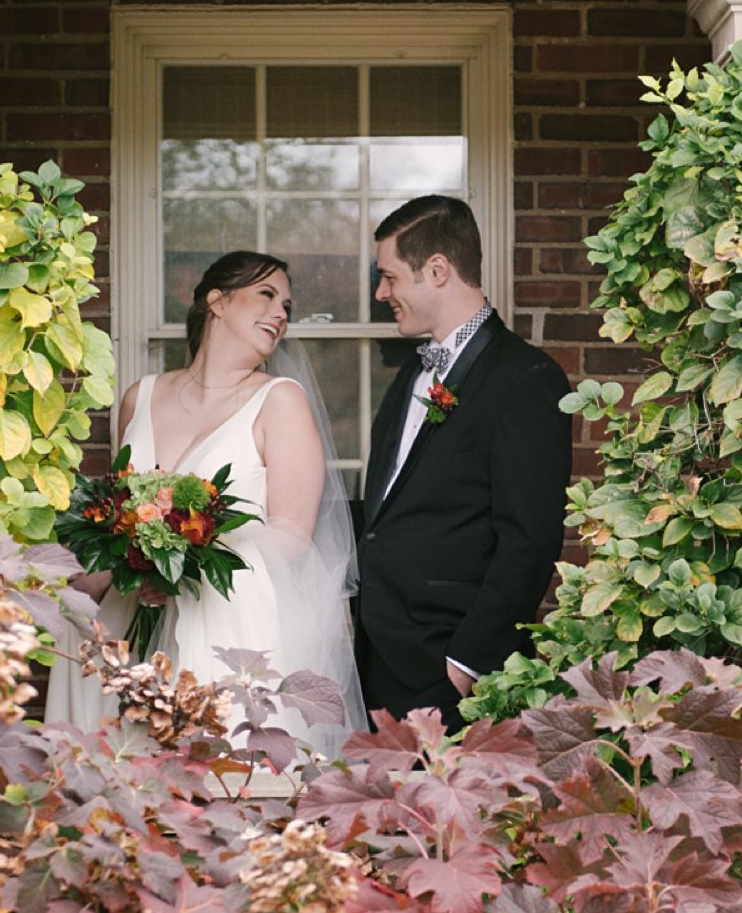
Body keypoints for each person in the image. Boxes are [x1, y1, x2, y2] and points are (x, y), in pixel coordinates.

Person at [45, 251, 367, 752]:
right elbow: (119, 511)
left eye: (287, 305)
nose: (281, 313)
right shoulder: (141, 396)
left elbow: (293, 535)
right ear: (217, 301)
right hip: (125, 617)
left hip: (223, 623)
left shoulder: (280, 401)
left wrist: (186, 569)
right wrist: (134, 559)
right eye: (267, 295)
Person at [356, 195, 571, 733]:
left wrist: (464, 667)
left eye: (389, 277)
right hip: (378, 663)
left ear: (437, 270)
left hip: (450, 675)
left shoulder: (526, 380)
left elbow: (529, 540)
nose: (381, 293)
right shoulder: (411, 374)